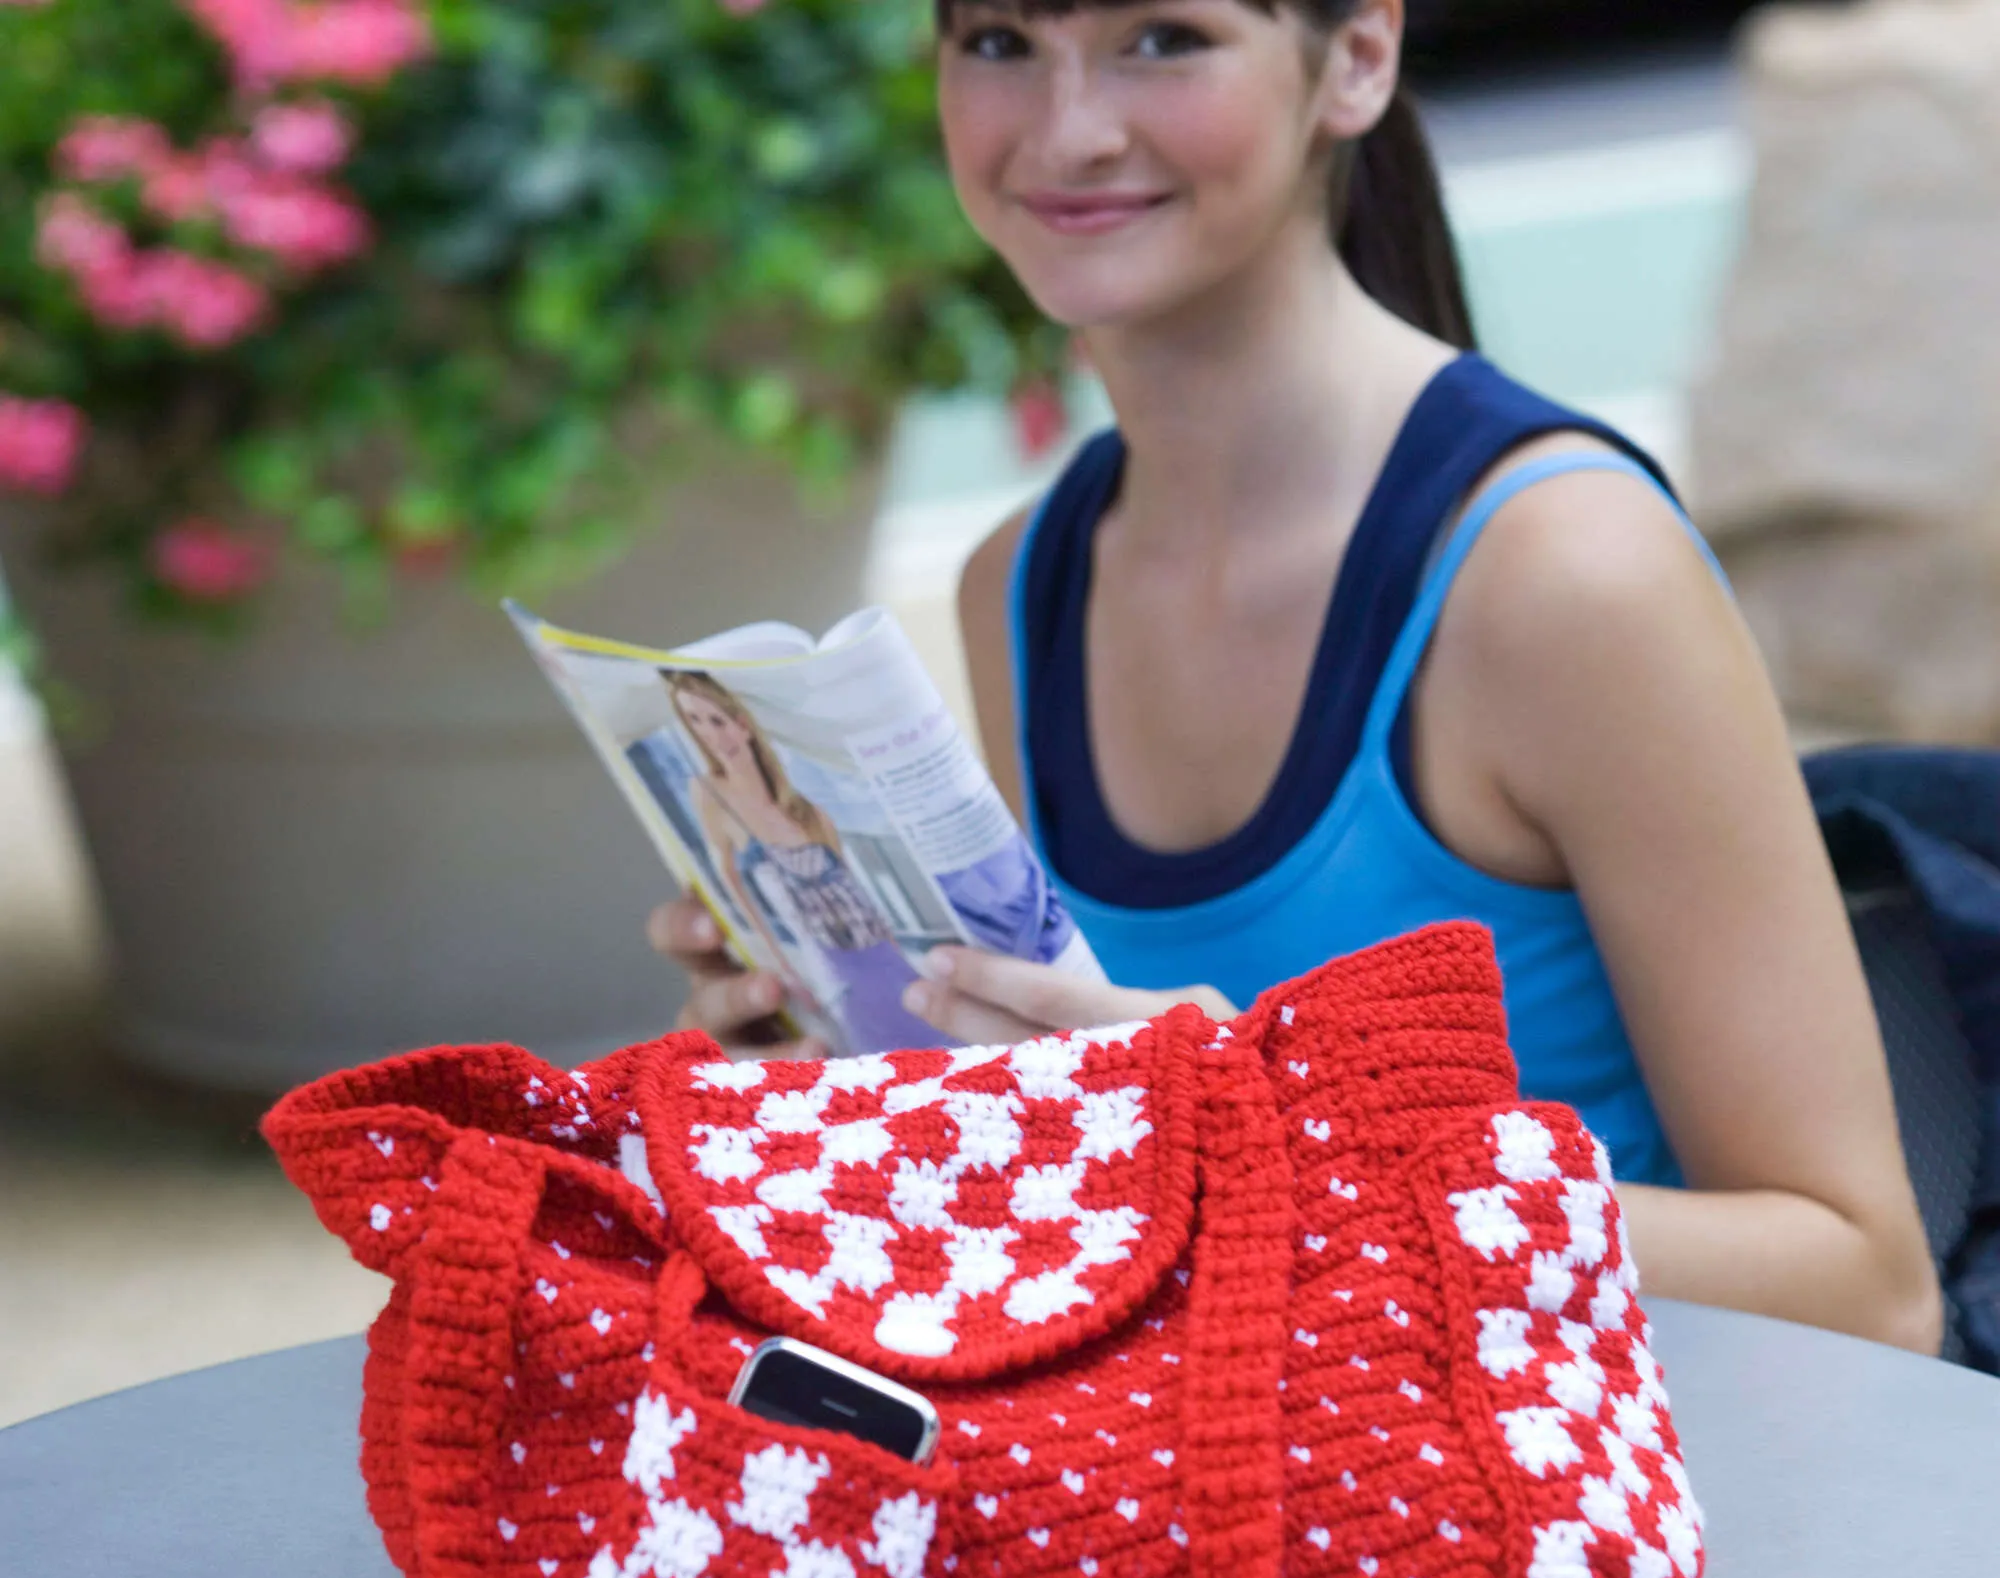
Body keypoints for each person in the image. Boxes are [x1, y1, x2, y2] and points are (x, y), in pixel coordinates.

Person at [650, 0, 1939, 1365]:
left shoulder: (1563, 578)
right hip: (1218, 1490)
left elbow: (1868, 1289)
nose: (1069, 130)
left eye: (1164, 40)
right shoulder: (1019, 585)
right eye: (998, 44)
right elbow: (1112, 1182)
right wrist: (844, 1071)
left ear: (1361, 56)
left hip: (1607, 1502)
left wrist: (1278, 1139)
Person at [662, 670, 948, 1056]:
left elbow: (855, 885)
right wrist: (785, 969)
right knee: (880, 1044)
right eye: (694, 722)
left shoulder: (803, 805)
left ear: (742, 724)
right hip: (829, 956)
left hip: (876, 944)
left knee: (926, 1028)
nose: (710, 735)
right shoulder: (710, 792)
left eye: (717, 720)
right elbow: (736, 891)